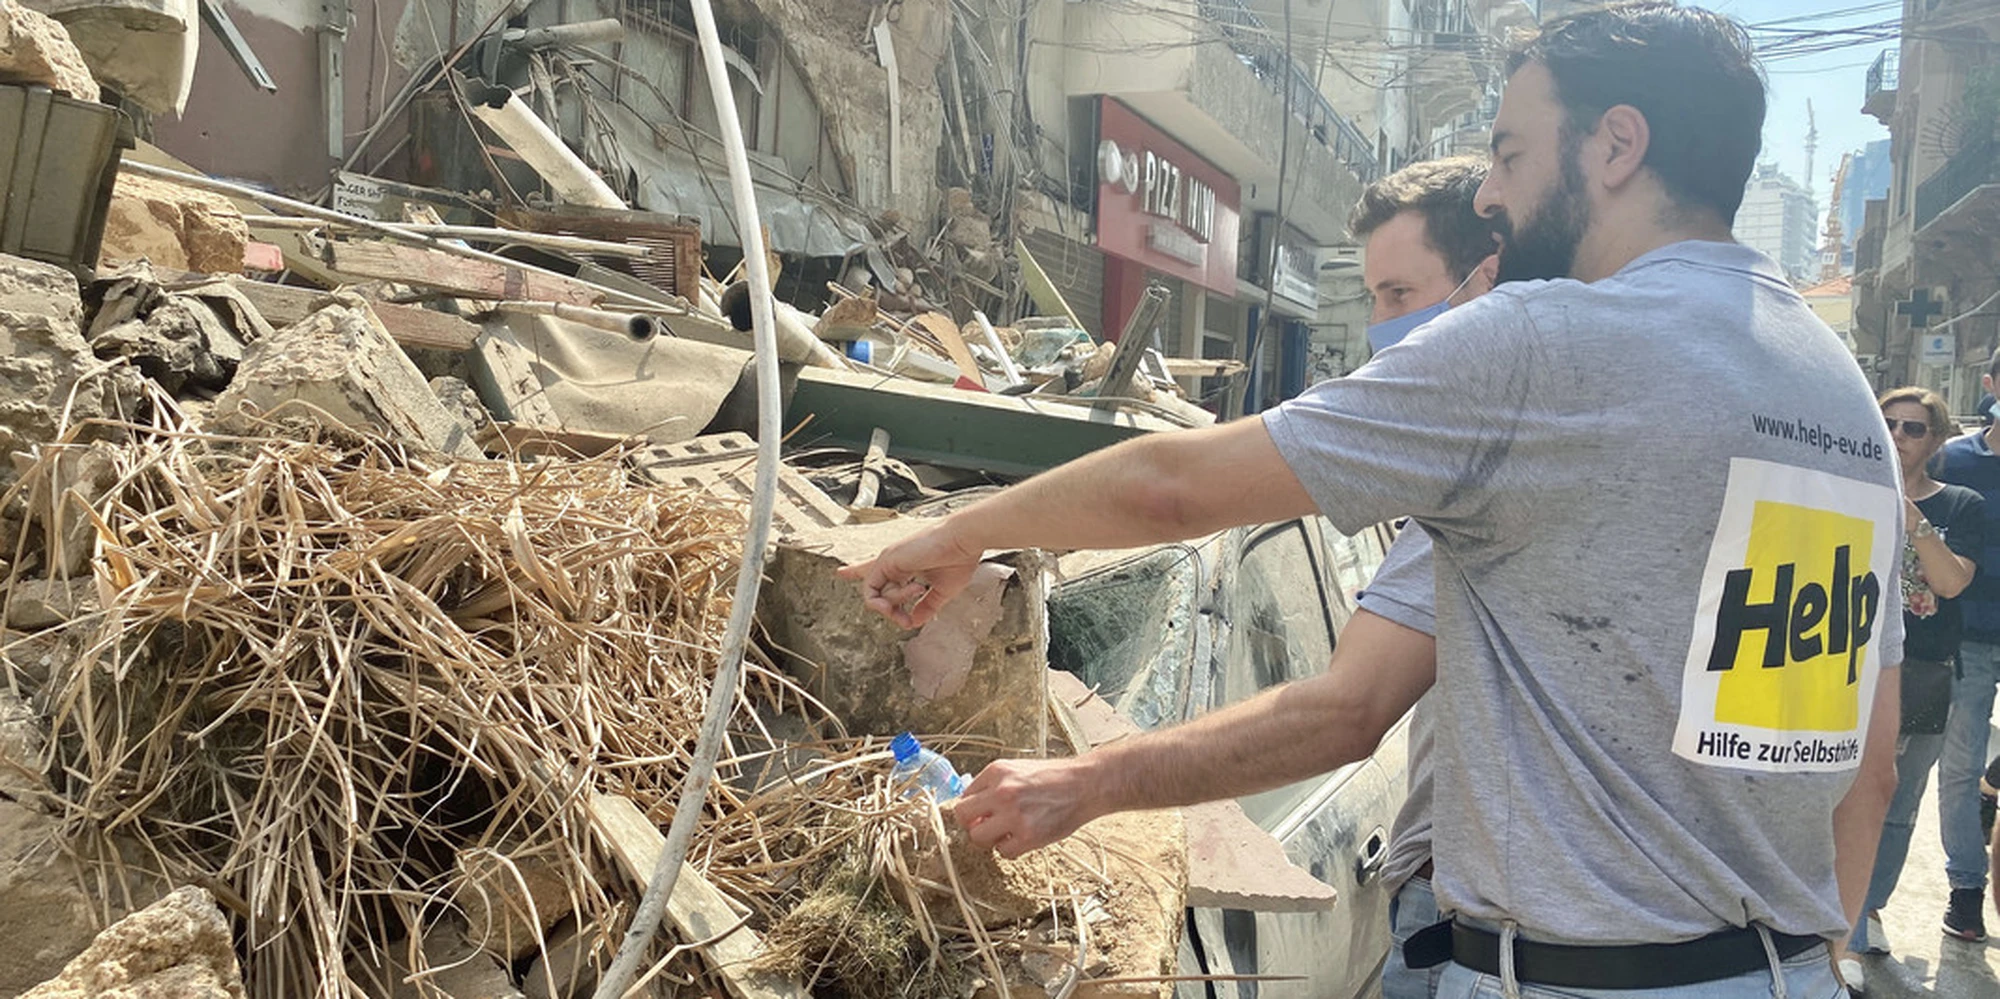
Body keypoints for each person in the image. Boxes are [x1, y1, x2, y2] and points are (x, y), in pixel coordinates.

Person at [844, 4, 1902, 997]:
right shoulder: (1839, 394)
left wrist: (962, 530)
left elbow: (1173, 490)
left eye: (1511, 154)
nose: (1488, 195)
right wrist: (1820, 961)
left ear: (1616, 145)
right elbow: (1868, 759)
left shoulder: (1544, 343)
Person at [1346, 154, 1499, 999]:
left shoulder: (1489, 466)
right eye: (1373, 297)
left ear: (1485, 281)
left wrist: (1089, 785)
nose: (1382, 324)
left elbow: (1346, 710)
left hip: (1456, 914)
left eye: (1399, 294)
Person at [1842, 388, 1981, 989]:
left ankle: (1865, 911)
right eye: (1888, 423)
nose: (1897, 436)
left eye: (1913, 428)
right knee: (1840, 793)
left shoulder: (1961, 504)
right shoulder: (1843, 488)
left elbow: (1950, 584)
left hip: (1923, 668)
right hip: (1846, 663)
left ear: (1937, 440)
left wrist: (1910, 516)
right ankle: (1840, 926)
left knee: (1897, 801)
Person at [1933, 349, 2000, 943]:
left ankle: (1994, 782)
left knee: (1980, 768)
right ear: (1990, 384)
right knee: (1959, 763)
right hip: (1968, 635)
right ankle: (1966, 887)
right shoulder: (1953, 459)